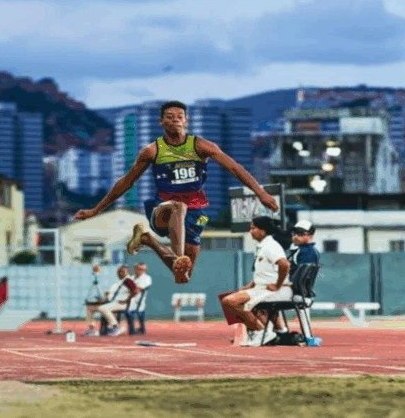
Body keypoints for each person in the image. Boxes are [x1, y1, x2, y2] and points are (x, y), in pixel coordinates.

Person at [74, 100, 278, 284]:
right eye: (170, 117)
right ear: (161, 122)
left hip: (195, 211)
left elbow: (235, 168)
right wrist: (96, 209)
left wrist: (260, 193)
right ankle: (178, 256)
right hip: (162, 210)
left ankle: (148, 240)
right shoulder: (152, 151)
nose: (175, 120)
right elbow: (127, 181)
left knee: (183, 276)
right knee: (177, 207)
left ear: (186, 121)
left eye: (180, 116)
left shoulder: (201, 146)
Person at [221, 216, 290, 347]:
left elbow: (284, 264)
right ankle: (258, 331)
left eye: (253, 228)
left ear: (263, 231)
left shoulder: (270, 246)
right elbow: (263, 274)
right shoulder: (262, 247)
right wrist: (247, 286)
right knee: (228, 300)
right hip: (261, 289)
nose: (250, 231)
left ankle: (260, 331)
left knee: (229, 301)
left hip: (273, 291)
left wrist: (277, 285)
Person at [83, 265, 138, 337]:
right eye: (119, 272)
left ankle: (115, 327)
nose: (120, 273)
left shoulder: (128, 280)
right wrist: (102, 299)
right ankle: (91, 328)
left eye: (122, 272)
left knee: (102, 308)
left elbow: (136, 290)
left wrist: (127, 300)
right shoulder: (119, 282)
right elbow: (110, 295)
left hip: (123, 304)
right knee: (89, 308)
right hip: (113, 302)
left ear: (127, 273)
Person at [126, 262, 153, 334]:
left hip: (139, 300)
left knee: (136, 313)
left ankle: (139, 329)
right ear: (135, 269)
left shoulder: (147, 278)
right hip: (130, 299)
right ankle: (133, 329)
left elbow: (137, 290)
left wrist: (128, 296)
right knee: (129, 313)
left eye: (143, 269)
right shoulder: (131, 277)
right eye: (139, 269)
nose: (141, 271)